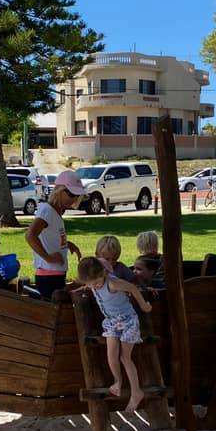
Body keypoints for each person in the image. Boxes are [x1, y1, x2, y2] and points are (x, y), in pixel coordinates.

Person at [77, 255, 152, 412]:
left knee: (125, 357)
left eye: (97, 283)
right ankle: (117, 381)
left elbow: (132, 288)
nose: (95, 287)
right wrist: (87, 286)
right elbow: (95, 262)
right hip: (111, 321)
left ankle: (136, 392)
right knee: (111, 353)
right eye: (91, 285)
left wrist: (144, 305)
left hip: (128, 321)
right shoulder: (93, 278)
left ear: (103, 273)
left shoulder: (112, 282)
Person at [25, 170, 84, 300]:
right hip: (49, 275)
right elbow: (30, 235)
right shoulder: (47, 211)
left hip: (55, 273)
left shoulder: (55, 212)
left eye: (76, 195)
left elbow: (49, 236)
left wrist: (67, 244)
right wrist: (48, 258)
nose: (74, 198)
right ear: (59, 190)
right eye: (71, 194)